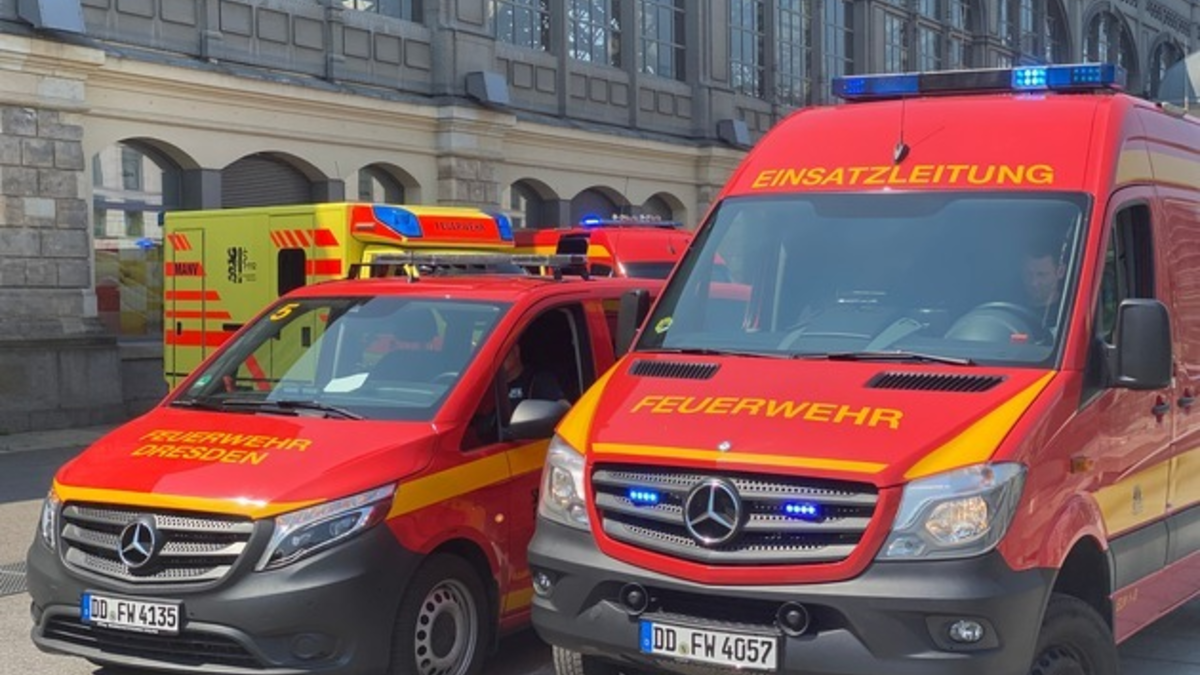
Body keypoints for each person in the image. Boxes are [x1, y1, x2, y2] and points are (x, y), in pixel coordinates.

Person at [501, 341, 566, 412]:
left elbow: (563, 408)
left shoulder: (538, 380)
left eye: (502, 352)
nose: (499, 359)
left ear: (516, 351)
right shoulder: (493, 388)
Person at [1021, 242, 1066, 334]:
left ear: (1060, 272)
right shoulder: (1010, 306)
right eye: (1028, 274)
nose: (1034, 283)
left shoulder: (1068, 312)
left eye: (1042, 275)